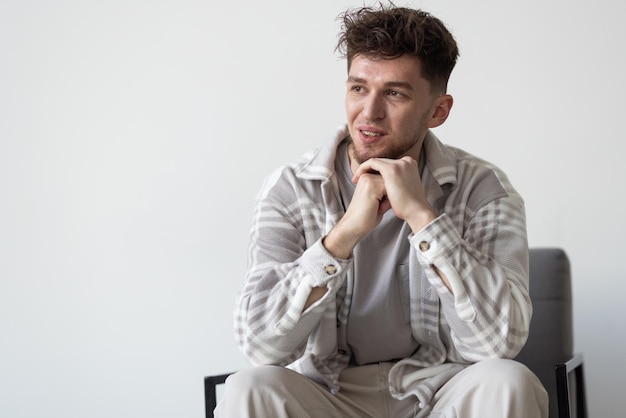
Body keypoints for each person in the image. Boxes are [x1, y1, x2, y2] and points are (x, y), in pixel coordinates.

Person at [216, 4, 548, 418]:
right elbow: (260, 345)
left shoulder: (484, 188)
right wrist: (342, 237)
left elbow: (498, 344)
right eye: (358, 88)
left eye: (394, 93)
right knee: (249, 387)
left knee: (509, 381)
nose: (368, 113)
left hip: (444, 390)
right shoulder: (290, 187)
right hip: (329, 396)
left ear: (438, 111)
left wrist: (426, 220)